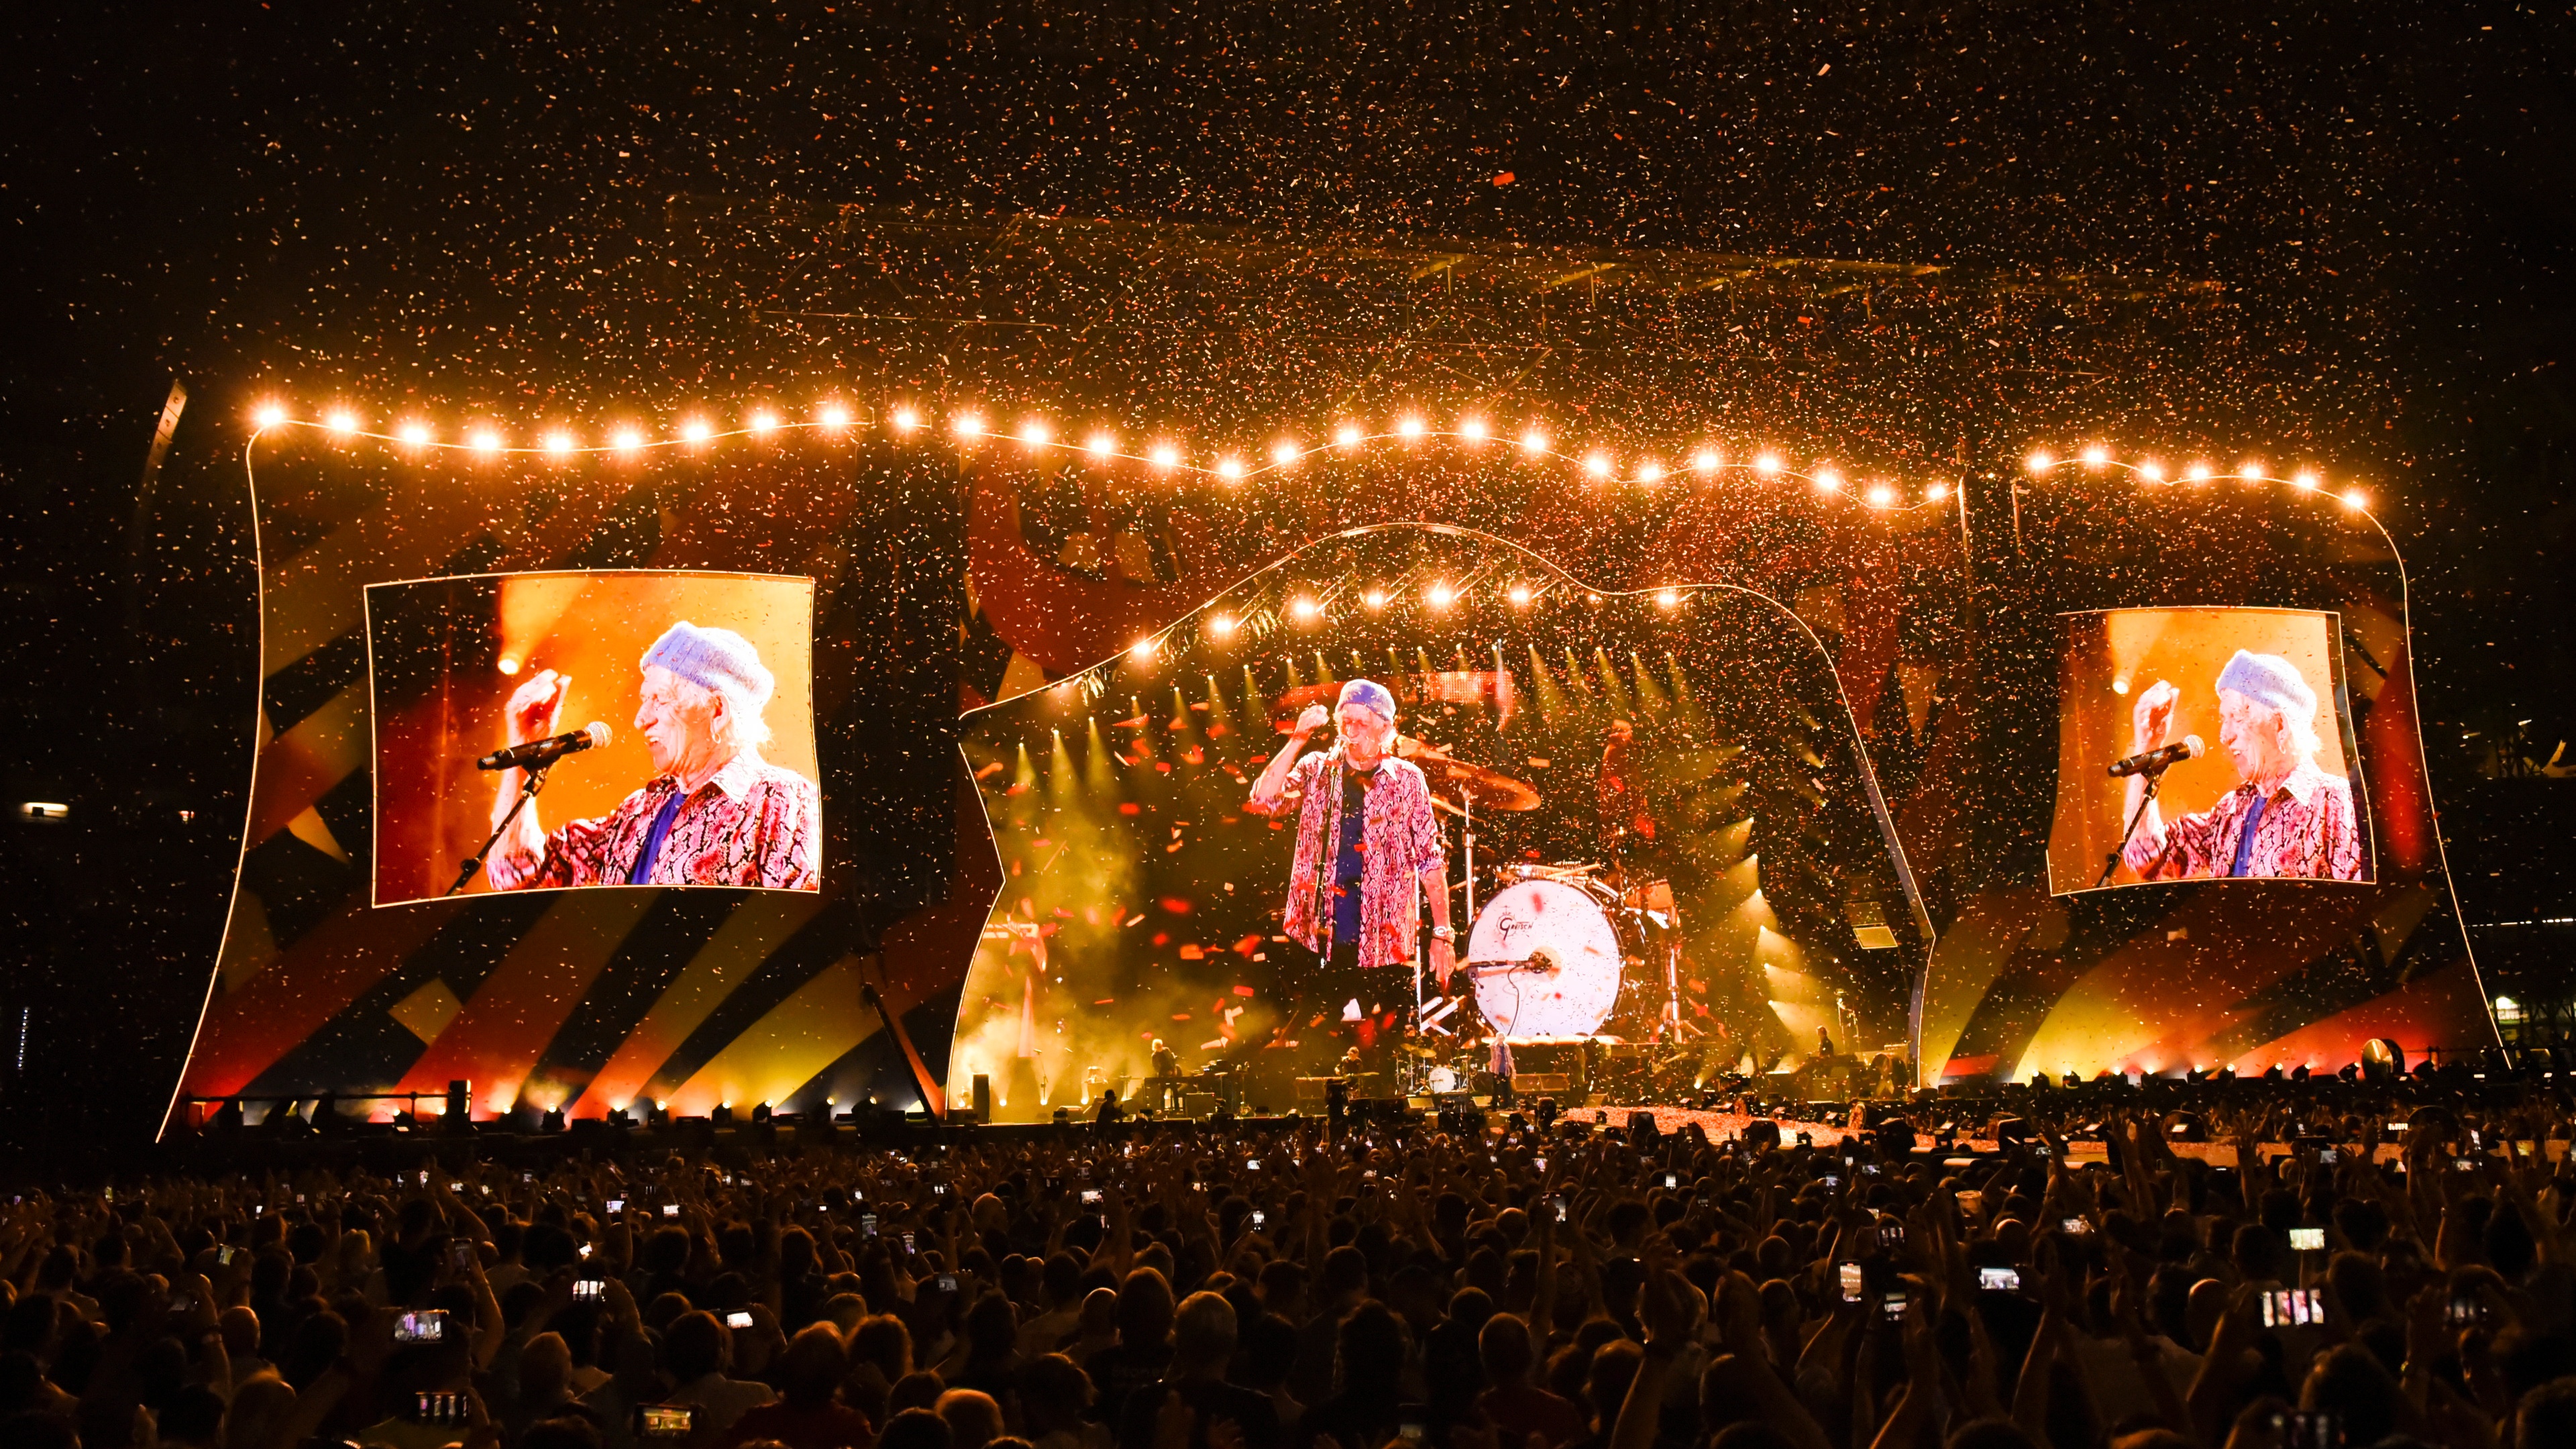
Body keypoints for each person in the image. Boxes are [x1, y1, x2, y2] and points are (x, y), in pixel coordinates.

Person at [486, 621, 820, 892]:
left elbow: (799, 923)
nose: (641, 719)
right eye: (644, 700)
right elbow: (519, 877)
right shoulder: (640, 810)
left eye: (659, 699)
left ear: (717, 711)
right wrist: (523, 746)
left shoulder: (782, 800)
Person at [1245, 679, 1453, 1063]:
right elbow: (1262, 800)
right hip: (1320, 937)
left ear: (1385, 730)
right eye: (1346, 722)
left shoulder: (1408, 780)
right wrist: (1297, 739)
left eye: (1362, 723)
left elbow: (1430, 859)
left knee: (1387, 1055)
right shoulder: (1317, 769)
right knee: (1310, 1054)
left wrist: (1442, 932)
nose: (1352, 732)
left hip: (1384, 943)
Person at [2121, 649, 2364, 882]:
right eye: (2223, 719)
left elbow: (2361, 901)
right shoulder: (2232, 809)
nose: (2224, 736)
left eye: (2236, 717)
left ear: (2280, 725)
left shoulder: (2334, 801)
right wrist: (2148, 744)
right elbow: (2148, 859)